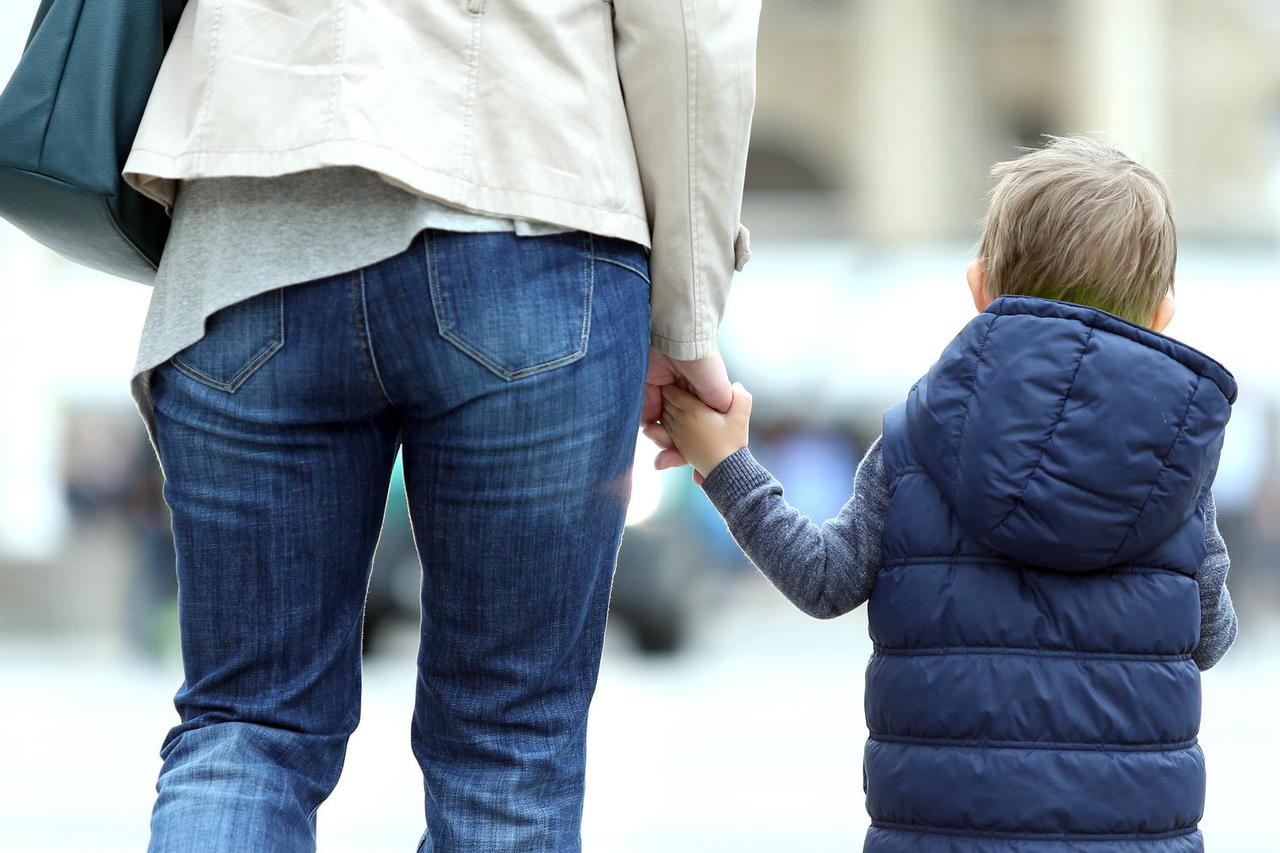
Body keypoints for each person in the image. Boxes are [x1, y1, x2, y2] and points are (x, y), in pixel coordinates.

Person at [120, 2, 760, 851]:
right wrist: (687, 310)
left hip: (246, 226)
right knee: (508, 749)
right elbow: (685, 28)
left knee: (244, 729)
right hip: (526, 202)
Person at [656, 136, 1238, 851]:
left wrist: (727, 464)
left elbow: (823, 580)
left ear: (979, 287)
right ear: (1161, 314)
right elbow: (1211, 637)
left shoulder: (921, 439)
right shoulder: (1175, 473)